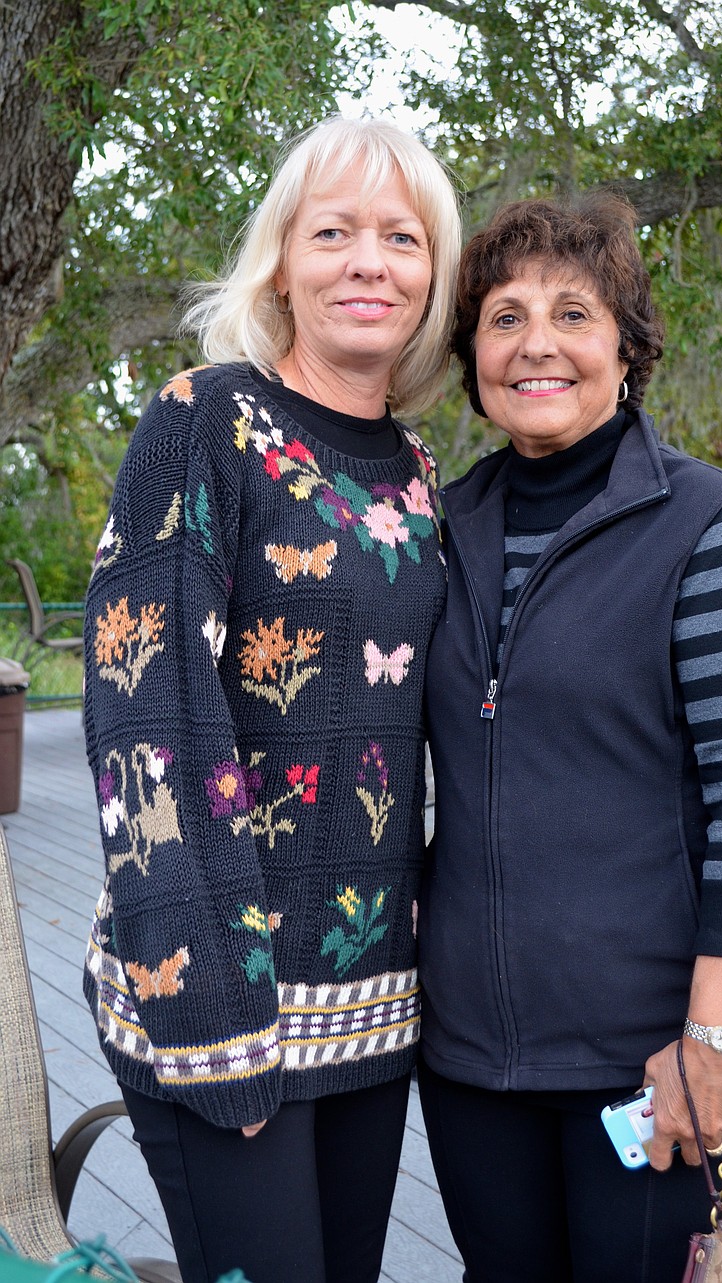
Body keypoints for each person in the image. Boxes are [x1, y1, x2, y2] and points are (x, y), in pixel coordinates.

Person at [82, 116, 461, 1283]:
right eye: (332, 232)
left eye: (401, 237)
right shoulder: (202, 418)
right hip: (217, 997)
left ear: (433, 277)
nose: (368, 262)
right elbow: (146, 710)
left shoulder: (415, 467)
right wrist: (214, 1017)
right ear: (281, 263)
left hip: (370, 1000)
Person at [417, 195, 722, 1283]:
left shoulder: (705, 524)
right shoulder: (439, 528)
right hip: (477, 1059)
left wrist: (712, 1042)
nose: (535, 342)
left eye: (573, 314)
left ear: (626, 352)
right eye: (504, 317)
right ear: (472, 359)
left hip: (663, 1056)